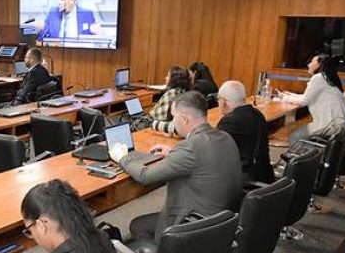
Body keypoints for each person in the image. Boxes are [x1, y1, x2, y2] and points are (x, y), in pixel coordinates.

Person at [110, 91, 243, 242]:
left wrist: (122, 157)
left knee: (137, 225)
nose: (173, 122)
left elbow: (145, 176)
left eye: (174, 117)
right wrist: (173, 152)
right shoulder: (224, 136)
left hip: (196, 225)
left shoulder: (190, 148)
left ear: (184, 119)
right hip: (223, 220)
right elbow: (202, 158)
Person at [280, 54, 345, 143]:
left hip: (331, 126)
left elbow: (304, 101)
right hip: (342, 125)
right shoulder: (328, 78)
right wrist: (290, 95)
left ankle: (305, 156)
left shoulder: (318, 78)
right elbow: (308, 97)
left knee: (295, 136)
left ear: (319, 64)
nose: (308, 65)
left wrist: (284, 97)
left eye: (312, 61)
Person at [217, 80, 274, 183]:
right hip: (265, 174)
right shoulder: (258, 114)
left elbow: (212, 151)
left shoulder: (230, 121)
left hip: (246, 180)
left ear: (223, 102)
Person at [150, 65, 191, 135]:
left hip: (159, 125)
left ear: (174, 79)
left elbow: (154, 115)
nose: (165, 78)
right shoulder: (185, 92)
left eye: (168, 76)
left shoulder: (171, 93)